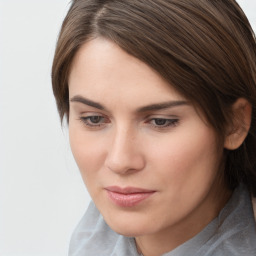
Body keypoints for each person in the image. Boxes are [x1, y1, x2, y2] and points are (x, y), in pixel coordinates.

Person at [52, 0, 256, 255]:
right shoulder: (93, 234)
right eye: (94, 119)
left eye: (160, 121)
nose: (119, 161)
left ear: (234, 124)